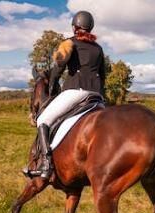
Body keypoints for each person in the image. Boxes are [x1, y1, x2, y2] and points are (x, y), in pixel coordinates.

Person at [35, 10, 105, 179]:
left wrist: (52, 84)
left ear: (75, 27)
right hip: (97, 96)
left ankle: (46, 163)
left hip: (76, 91)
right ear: (90, 28)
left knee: (42, 120)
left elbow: (59, 67)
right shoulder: (99, 49)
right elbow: (103, 75)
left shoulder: (68, 43)